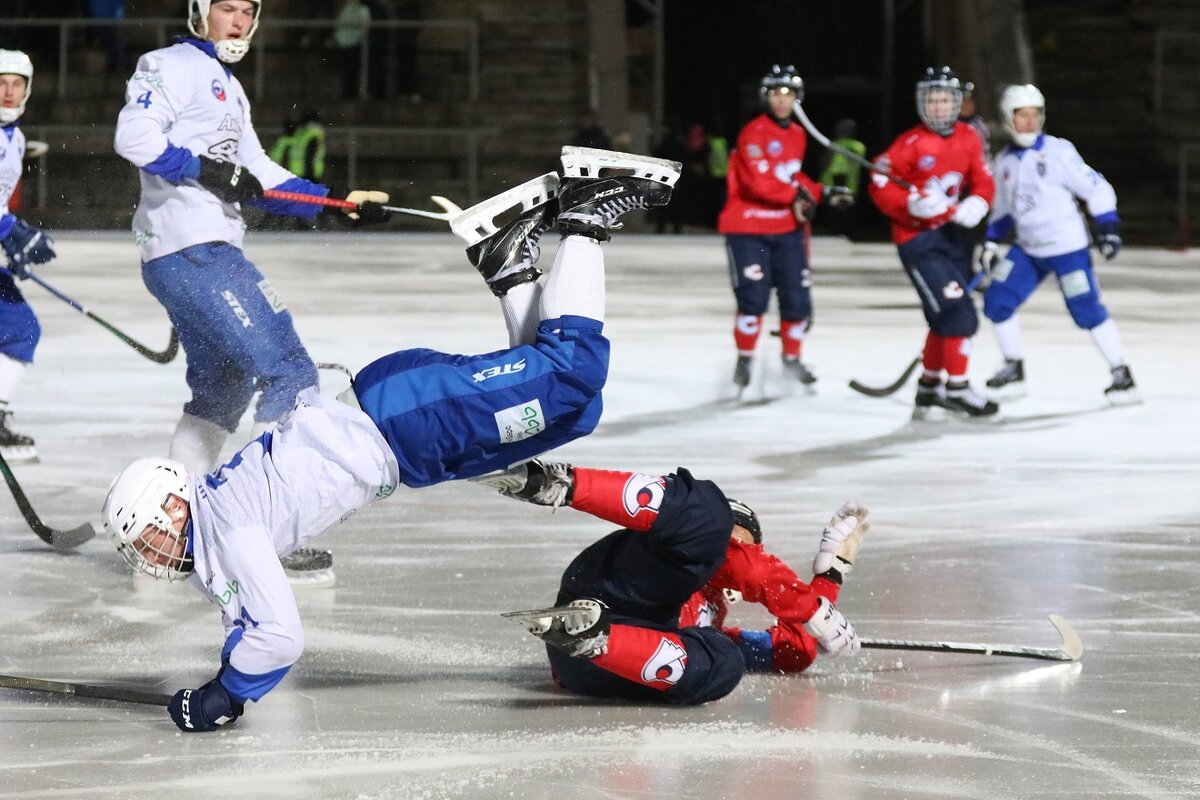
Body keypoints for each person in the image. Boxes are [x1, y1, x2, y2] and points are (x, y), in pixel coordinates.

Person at [101, 148, 681, 733]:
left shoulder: (222, 525)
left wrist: (224, 694)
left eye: (146, 534)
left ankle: (587, 210)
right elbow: (244, 612)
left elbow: (277, 638)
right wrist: (224, 675)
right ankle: (508, 261)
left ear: (172, 501)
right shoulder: (214, 540)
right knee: (573, 412)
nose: (148, 554)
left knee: (571, 372)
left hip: (402, 418)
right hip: (406, 444)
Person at [114, 0, 391, 479]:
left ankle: (187, 519)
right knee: (288, 370)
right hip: (194, 248)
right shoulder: (169, 64)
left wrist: (334, 202)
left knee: (223, 387)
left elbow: (259, 176)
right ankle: (264, 515)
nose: (239, 21)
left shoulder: (230, 87)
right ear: (199, 12)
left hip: (192, 252)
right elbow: (134, 137)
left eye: (247, 11)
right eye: (227, 9)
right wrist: (210, 170)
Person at [486, 459, 867, 703]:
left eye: (744, 544)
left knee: (725, 664)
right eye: (731, 543)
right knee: (706, 512)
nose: (734, 550)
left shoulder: (713, 623)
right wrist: (810, 605)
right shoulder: (677, 551)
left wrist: (830, 574)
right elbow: (741, 566)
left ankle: (591, 637)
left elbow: (796, 651)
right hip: (617, 584)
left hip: (597, 667)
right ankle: (559, 484)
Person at [979, 84, 1137, 404]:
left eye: (1035, 115)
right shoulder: (1005, 161)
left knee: (1086, 310)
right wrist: (991, 243)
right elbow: (1005, 209)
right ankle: (1013, 366)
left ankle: (1122, 374)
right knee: (997, 301)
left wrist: (1108, 227)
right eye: (1022, 116)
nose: (1030, 122)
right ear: (1009, 119)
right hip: (1029, 249)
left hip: (1067, 248)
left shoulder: (1058, 152)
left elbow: (1096, 187)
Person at [868, 66, 998, 420]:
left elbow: (983, 179)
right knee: (959, 312)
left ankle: (929, 388)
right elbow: (879, 183)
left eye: (945, 99)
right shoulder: (909, 144)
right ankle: (957, 388)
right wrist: (908, 204)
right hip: (919, 239)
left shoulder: (969, 139)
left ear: (957, 103)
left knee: (942, 315)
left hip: (955, 236)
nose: (939, 107)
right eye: (933, 100)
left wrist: (979, 202)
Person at [717, 65, 848, 391]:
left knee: (795, 298)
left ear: (798, 98)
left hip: (787, 228)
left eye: (788, 94)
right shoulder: (754, 132)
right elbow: (760, 184)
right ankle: (745, 360)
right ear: (766, 97)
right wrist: (801, 194)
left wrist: (822, 191)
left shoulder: (798, 134)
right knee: (753, 299)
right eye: (776, 93)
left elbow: (792, 178)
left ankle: (792, 360)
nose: (781, 100)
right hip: (750, 227)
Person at [0, 49, 54, 462]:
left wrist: (10, 244)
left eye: (16, 83)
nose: (8, 90)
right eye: (1, 82)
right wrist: (11, 232)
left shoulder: (15, 139)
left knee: (20, 329)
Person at [332, 0, 371, 100]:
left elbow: (364, 27)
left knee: (353, 70)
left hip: (355, 44)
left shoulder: (363, 10)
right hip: (344, 44)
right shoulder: (346, 8)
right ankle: (347, 92)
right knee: (346, 70)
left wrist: (357, 39)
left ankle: (353, 93)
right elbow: (340, 25)